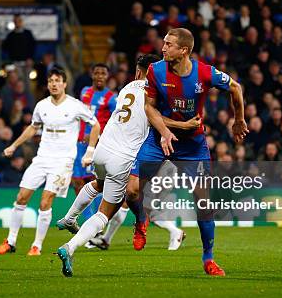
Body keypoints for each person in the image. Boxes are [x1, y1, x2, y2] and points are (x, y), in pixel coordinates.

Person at [128, 28, 248, 276]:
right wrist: (164, 131)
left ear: (183, 51)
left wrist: (238, 119)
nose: (163, 48)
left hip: (193, 146)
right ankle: (141, 219)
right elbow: (148, 109)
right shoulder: (155, 70)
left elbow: (235, 87)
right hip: (159, 138)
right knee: (131, 190)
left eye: (168, 44)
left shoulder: (204, 72)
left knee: (203, 204)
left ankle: (208, 258)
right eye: (163, 43)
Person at [55, 54, 160, 276]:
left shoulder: (126, 89)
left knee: (99, 183)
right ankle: (70, 247)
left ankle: (69, 218)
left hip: (102, 150)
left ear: (137, 71)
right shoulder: (155, 93)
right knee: (104, 214)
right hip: (123, 157)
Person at [0, 68, 100, 256]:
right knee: (21, 197)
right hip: (41, 158)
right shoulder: (42, 106)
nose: (54, 84)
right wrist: (14, 146)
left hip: (63, 162)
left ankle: (37, 246)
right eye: (51, 81)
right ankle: (10, 242)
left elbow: (96, 124)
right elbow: (33, 128)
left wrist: (89, 152)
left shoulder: (75, 106)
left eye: (58, 80)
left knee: (45, 201)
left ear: (64, 84)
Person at [71, 63, 116, 221]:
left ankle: (96, 220)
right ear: (92, 75)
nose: (99, 76)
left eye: (103, 73)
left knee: (94, 182)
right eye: (96, 73)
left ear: (107, 76)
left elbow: (116, 122)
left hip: (97, 146)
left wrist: (97, 136)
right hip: (79, 144)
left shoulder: (111, 98)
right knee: (77, 181)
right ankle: (87, 219)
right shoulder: (84, 92)